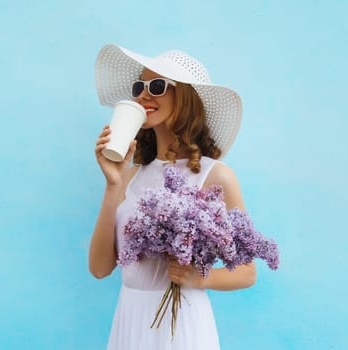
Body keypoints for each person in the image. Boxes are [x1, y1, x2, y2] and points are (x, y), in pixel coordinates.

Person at [89, 44, 256, 350]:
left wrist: (198, 279)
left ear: (186, 99)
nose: (144, 95)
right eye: (140, 86)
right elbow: (100, 268)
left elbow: (248, 272)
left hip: (181, 326)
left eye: (157, 86)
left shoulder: (215, 176)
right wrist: (113, 184)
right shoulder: (130, 175)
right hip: (130, 318)